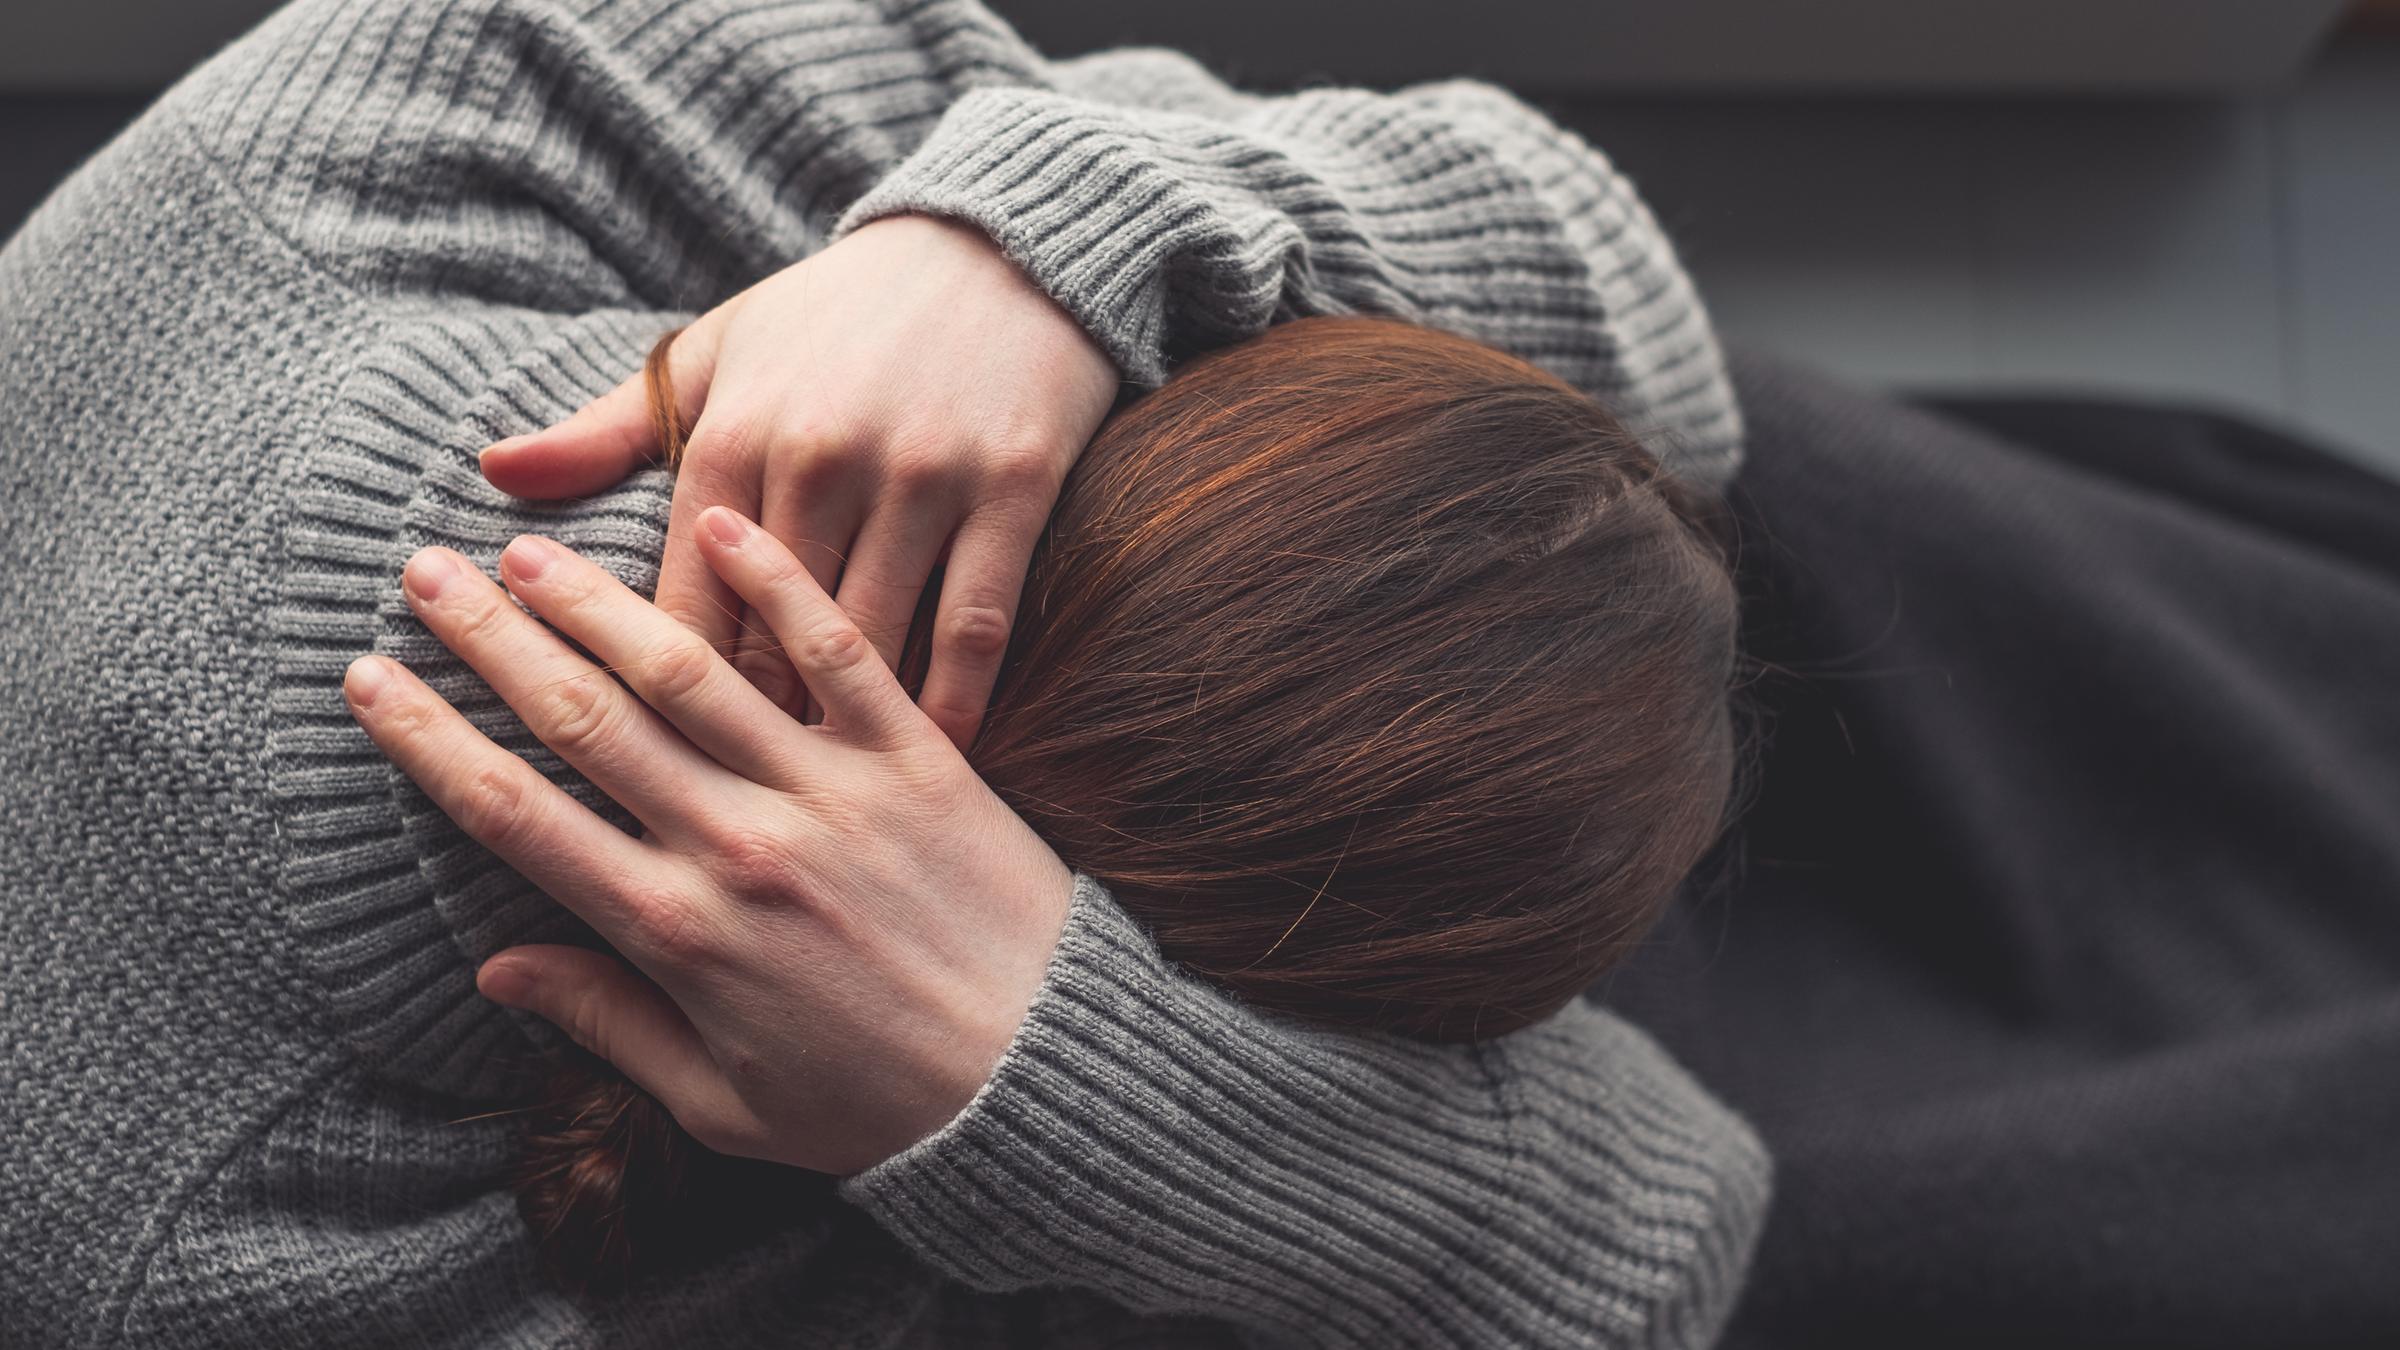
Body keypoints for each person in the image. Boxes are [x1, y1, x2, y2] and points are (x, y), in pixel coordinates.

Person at [0, 0, 1765, 1346]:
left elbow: (1661, 357)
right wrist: (1078, 1099)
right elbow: (1670, 1239)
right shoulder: (252, 1254)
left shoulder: (431, 87)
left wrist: (1046, 232)